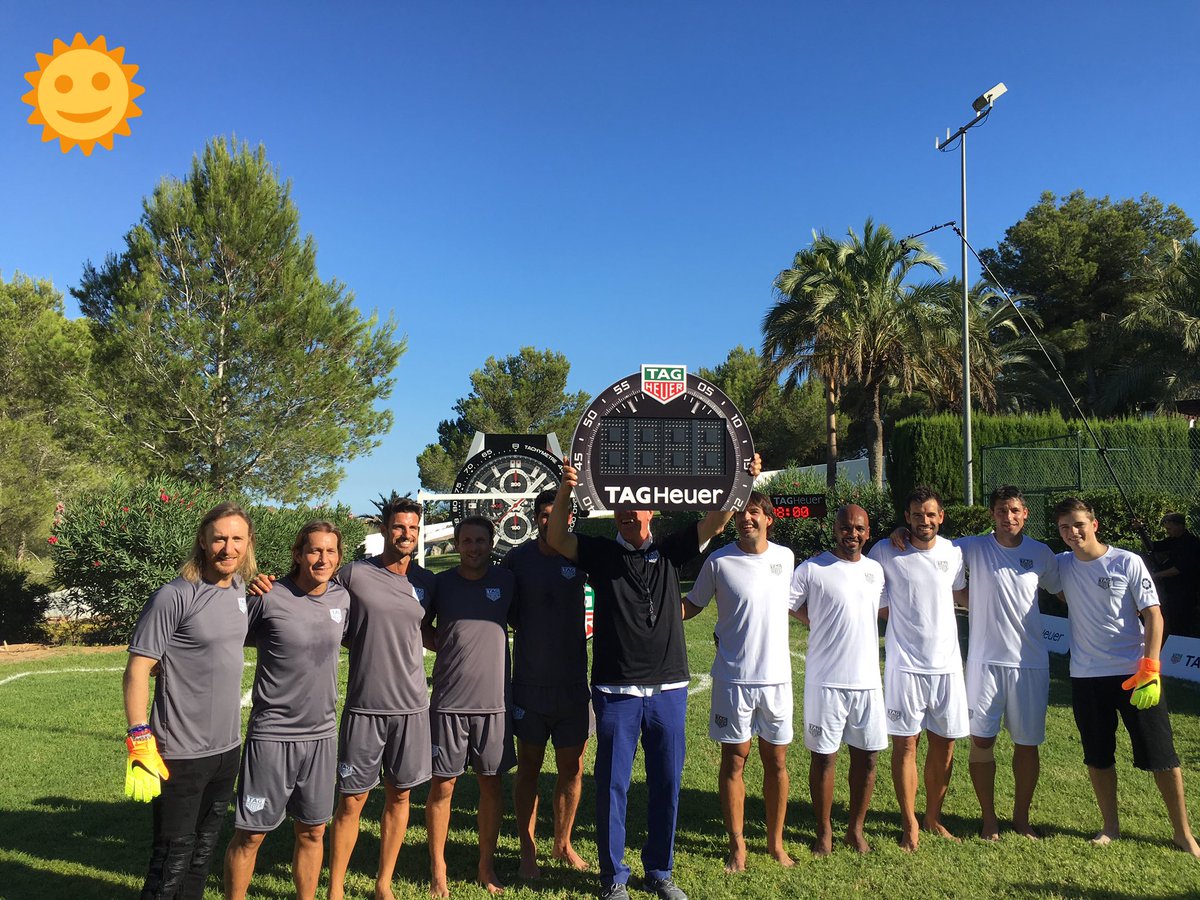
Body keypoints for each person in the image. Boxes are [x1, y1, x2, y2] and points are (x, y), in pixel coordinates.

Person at [546, 453, 762, 900]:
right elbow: (556, 536)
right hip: (616, 689)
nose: (628, 513)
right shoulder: (600, 552)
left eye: (636, 505)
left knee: (666, 783)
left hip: (668, 688)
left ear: (652, 509)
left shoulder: (672, 549)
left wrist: (744, 477)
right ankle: (613, 877)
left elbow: (717, 520)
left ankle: (660, 871)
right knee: (613, 786)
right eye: (620, 505)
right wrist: (566, 488)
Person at [1054, 497, 1200, 856]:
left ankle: (1183, 834)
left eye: (1078, 524)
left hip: (1135, 675)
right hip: (1086, 676)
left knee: (1162, 756)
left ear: (1094, 524)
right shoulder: (1059, 564)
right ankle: (1110, 827)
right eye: (1064, 527)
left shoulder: (1127, 561)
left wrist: (1150, 667)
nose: (1072, 533)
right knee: (1097, 756)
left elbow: (1154, 614)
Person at [123, 503, 254, 899]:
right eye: (219, 538)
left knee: (202, 853)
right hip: (179, 752)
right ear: (203, 540)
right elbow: (137, 670)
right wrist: (139, 737)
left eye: (236, 539)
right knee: (171, 858)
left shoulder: (240, 591)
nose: (227, 548)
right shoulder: (174, 596)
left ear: (247, 545)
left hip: (227, 748)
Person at [223, 521, 351, 900]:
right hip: (272, 734)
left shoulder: (342, 600)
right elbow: (224, 635)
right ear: (298, 554)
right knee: (251, 833)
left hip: (322, 736)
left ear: (339, 558)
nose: (322, 558)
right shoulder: (268, 595)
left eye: (330, 551)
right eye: (314, 550)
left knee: (313, 831)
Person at [327, 494, 437, 900]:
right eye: (398, 527)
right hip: (364, 707)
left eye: (412, 527)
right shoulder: (353, 574)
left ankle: (383, 884)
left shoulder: (427, 583)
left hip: (412, 708)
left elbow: (431, 632)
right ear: (384, 529)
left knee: (401, 794)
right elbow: (317, 602)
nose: (405, 534)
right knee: (352, 800)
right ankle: (335, 888)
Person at [683, 490, 797, 872]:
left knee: (776, 763)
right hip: (733, 680)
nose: (746, 518)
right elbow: (691, 606)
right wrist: (643, 605)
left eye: (754, 513)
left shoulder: (786, 558)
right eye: (740, 514)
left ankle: (776, 843)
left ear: (769, 519)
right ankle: (737, 845)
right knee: (734, 761)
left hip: (777, 681)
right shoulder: (718, 561)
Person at [423, 516, 517, 897]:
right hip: (448, 703)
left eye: (481, 540)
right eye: (467, 540)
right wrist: (444, 643)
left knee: (491, 785)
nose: (474, 547)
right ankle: (438, 868)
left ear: (491, 543)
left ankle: (485, 866)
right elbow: (418, 624)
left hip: (495, 704)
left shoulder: (507, 582)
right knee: (442, 786)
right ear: (457, 544)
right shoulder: (440, 583)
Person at [870, 487, 967, 851]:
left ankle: (933, 817)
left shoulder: (954, 553)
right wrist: (908, 626)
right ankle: (909, 820)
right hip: (904, 667)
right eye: (916, 515)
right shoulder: (885, 551)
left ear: (940, 516)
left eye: (930, 514)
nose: (923, 521)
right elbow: (879, 604)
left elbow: (959, 593)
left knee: (945, 745)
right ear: (906, 517)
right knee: (906, 743)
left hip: (947, 668)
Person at [501, 489, 591, 879]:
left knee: (572, 769)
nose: (551, 520)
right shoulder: (517, 560)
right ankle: (527, 849)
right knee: (529, 770)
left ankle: (562, 842)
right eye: (545, 514)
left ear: (569, 518)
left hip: (573, 685)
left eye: (560, 514)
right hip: (530, 685)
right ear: (536, 518)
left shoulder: (583, 555)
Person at [790, 504, 886, 857]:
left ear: (868, 532)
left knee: (869, 758)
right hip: (825, 681)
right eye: (846, 527)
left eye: (859, 528)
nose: (853, 533)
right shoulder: (812, 568)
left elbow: (884, 609)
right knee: (824, 758)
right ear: (835, 529)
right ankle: (824, 831)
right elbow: (787, 603)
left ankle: (855, 830)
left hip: (867, 684)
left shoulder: (876, 571)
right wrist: (814, 620)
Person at [1150, 512, 1200, 638]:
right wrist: (1140, 529)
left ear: (1179, 526)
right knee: (1170, 621)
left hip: (1186, 591)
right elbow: (1153, 547)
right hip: (1171, 590)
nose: (1168, 532)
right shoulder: (1173, 540)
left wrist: (1156, 575)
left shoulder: (1192, 544)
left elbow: (1179, 569)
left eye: (1169, 529)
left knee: (1182, 623)